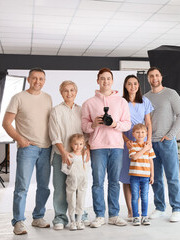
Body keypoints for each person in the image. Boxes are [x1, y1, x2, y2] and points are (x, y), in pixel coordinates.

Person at [2, 68, 52, 235]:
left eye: (41, 79)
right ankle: (18, 222)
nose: (38, 81)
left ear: (44, 81)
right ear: (29, 79)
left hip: (46, 148)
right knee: (22, 187)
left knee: (44, 187)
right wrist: (20, 139)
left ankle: (38, 217)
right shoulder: (18, 98)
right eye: (35, 78)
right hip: (27, 148)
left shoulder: (48, 98)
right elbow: (6, 123)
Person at [81, 68, 131, 228]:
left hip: (116, 147)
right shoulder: (89, 103)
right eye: (102, 78)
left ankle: (114, 215)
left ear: (112, 80)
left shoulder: (122, 102)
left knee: (114, 182)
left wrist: (115, 124)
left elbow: (127, 124)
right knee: (97, 182)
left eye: (108, 78)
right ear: (97, 80)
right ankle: (100, 215)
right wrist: (94, 124)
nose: (106, 81)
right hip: (97, 147)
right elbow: (84, 127)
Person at [144, 67, 180, 222]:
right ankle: (160, 207)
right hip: (150, 143)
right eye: (151, 76)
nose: (154, 78)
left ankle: (176, 208)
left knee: (172, 177)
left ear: (161, 77)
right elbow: (144, 120)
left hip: (166, 143)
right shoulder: (145, 97)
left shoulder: (171, 94)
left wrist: (170, 135)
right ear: (148, 79)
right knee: (155, 178)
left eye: (156, 75)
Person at [48, 80, 90, 230]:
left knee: (79, 187)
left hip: (79, 157)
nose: (69, 93)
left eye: (72, 90)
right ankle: (60, 218)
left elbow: (86, 132)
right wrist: (64, 152)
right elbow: (54, 134)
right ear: (61, 93)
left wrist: (87, 148)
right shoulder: (56, 111)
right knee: (60, 188)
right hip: (61, 155)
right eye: (66, 90)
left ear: (76, 92)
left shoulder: (82, 110)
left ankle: (80, 216)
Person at [120, 75, 153, 222]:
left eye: (135, 83)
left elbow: (148, 123)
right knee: (128, 177)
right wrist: (127, 140)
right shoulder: (121, 102)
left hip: (142, 140)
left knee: (141, 175)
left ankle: (139, 211)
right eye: (129, 84)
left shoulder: (145, 101)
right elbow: (119, 124)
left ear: (138, 85)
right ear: (125, 86)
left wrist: (149, 141)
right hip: (126, 141)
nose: (132, 86)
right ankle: (131, 211)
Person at [61, 134, 90, 231]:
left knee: (81, 200)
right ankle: (72, 221)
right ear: (71, 145)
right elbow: (64, 168)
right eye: (76, 144)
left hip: (83, 180)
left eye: (81, 144)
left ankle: (79, 220)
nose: (79, 146)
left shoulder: (85, 155)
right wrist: (71, 173)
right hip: (72, 181)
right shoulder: (69, 155)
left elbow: (87, 166)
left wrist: (85, 175)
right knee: (71, 200)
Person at [128, 124, 155, 226]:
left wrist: (152, 176)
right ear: (133, 134)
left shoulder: (149, 146)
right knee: (135, 196)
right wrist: (144, 149)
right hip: (134, 176)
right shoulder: (132, 145)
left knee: (145, 196)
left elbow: (151, 161)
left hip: (145, 176)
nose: (140, 134)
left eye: (143, 132)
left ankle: (144, 216)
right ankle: (135, 216)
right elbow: (134, 157)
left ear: (146, 134)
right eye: (138, 132)